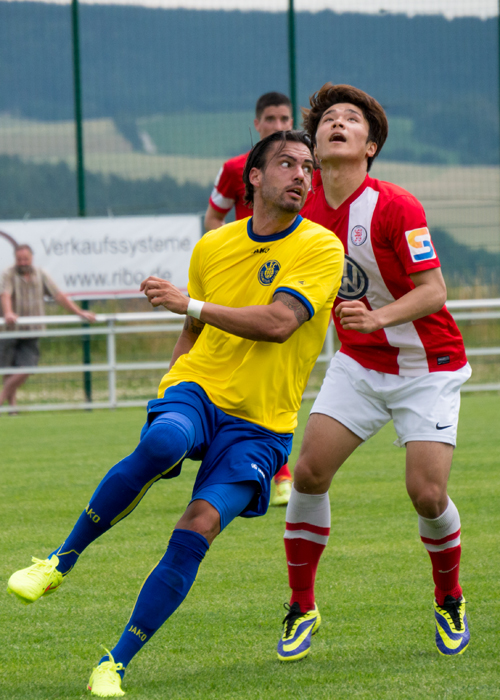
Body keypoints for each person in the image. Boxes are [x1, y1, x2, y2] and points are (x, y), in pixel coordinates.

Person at [8, 130, 344, 698]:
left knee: (199, 525)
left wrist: (186, 300)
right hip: (199, 389)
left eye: (308, 167)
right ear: (254, 178)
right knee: (163, 443)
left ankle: (114, 662)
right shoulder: (213, 246)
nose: (302, 175)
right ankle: (58, 562)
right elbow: (194, 332)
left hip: (262, 424)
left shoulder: (320, 247)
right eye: (287, 163)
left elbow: (279, 322)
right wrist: (170, 385)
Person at [276, 84, 472, 662]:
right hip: (360, 364)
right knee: (308, 473)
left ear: (371, 145)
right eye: (328, 119)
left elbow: (435, 292)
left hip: (427, 367)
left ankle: (449, 596)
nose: (337, 123)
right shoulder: (302, 212)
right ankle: (301, 605)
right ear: (315, 143)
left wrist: (377, 317)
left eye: (351, 120)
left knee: (426, 493)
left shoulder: (395, 206)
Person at [205, 91, 295, 505]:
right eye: (271, 118)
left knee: (270, 379)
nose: (278, 125)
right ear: (256, 126)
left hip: (280, 288)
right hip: (239, 287)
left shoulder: (301, 172)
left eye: (285, 118)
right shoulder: (233, 169)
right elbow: (214, 215)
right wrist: (216, 259)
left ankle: (277, 470)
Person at [0, 244, 96, 413]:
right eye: (19, 259)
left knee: (27, 367)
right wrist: (8, 313)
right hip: (10, 329)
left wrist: (79, 312)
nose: (22, 262)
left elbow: (58, 295)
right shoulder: (8, 274)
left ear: (31, 259)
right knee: (9, 369)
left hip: (32, 329)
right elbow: (5, 294)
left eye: (26, 259)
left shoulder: (40, 274)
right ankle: (12, 408)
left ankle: (1, 399)